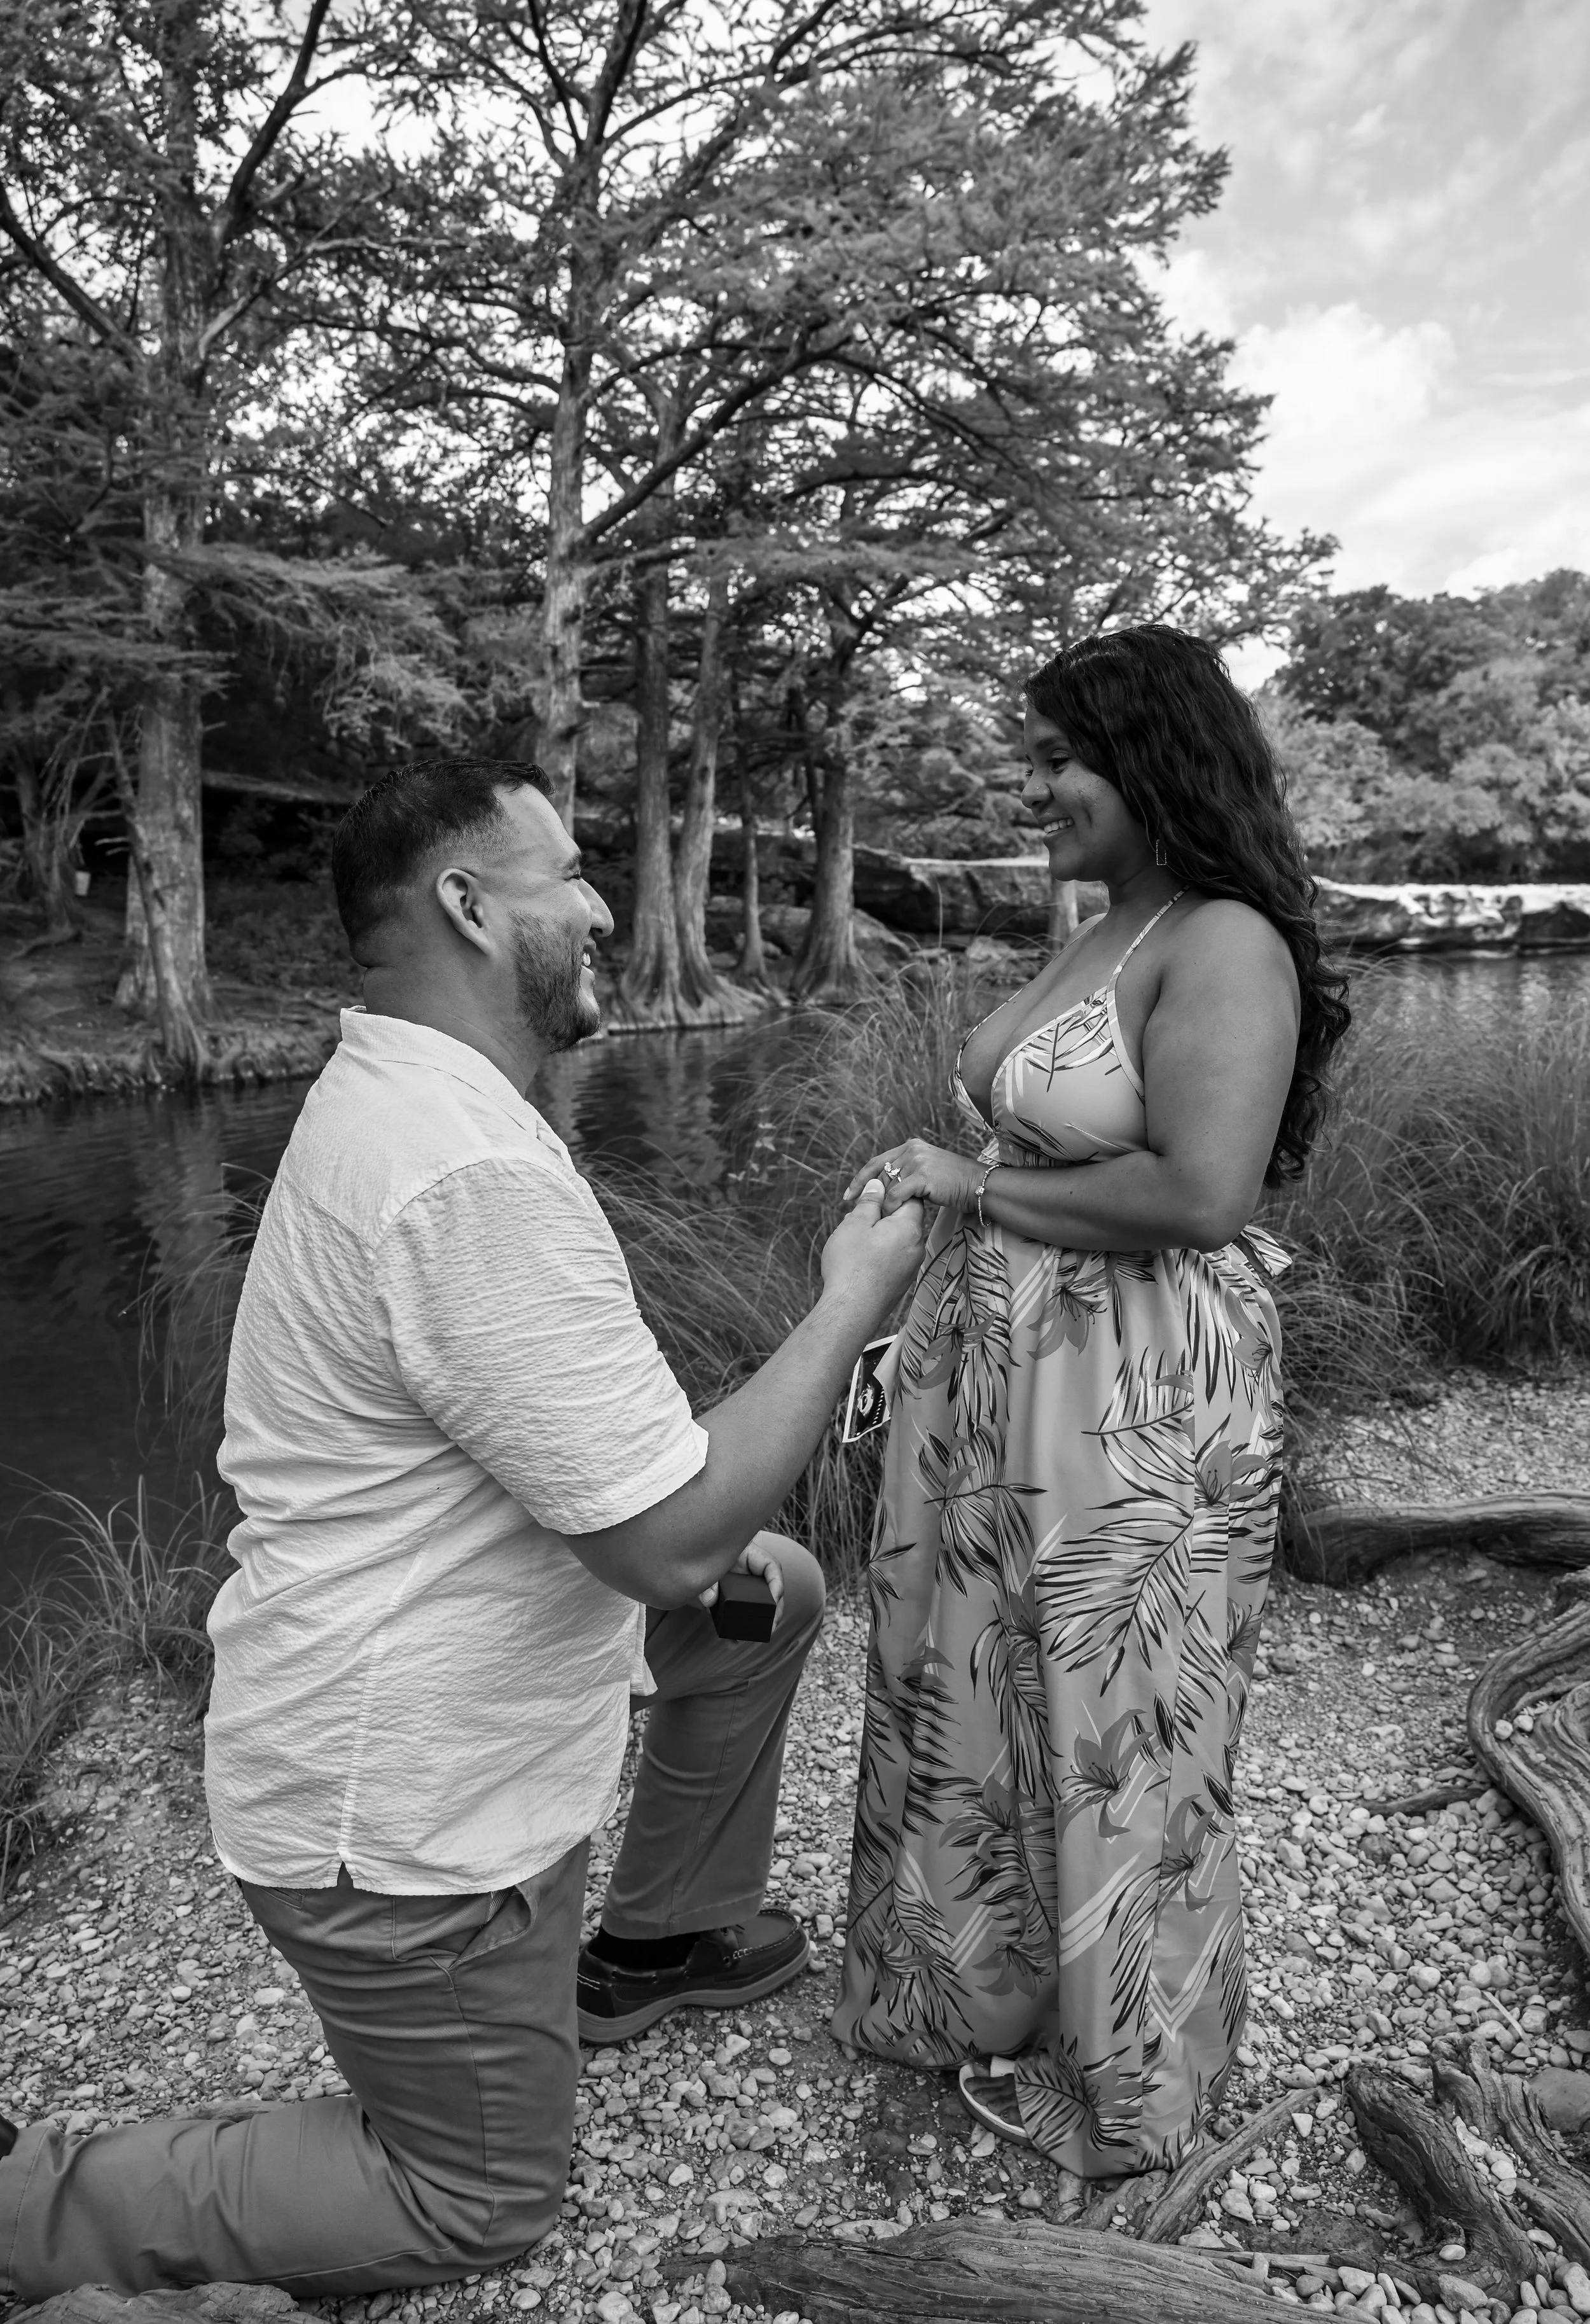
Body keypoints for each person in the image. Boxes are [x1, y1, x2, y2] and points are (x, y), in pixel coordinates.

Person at [0, 757, 923, 2300]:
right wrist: (849, 1299)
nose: (597, 906)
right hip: (396, 1813)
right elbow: (663, 1548)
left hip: (403, 1676)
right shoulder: (466, 1166)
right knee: (470, 2199)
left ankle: (659, 1937)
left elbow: (616, 1477)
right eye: (567, 874)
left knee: (773, 1592)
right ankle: (28, 2204)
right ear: (469, 906)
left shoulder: (402, 1093)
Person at [829, 627, 1350, 2187]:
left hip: (1135, 1391)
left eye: (1059, 756)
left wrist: (964, 1180)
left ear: (1147, 757)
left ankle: (1139, 2082)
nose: (1036, 782)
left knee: (1122, 1721)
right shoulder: (1105, 924)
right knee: (978, 1687)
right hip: (1003, 1380)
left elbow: (1200, 1191)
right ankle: (977, 1996)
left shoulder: (1225, 941)